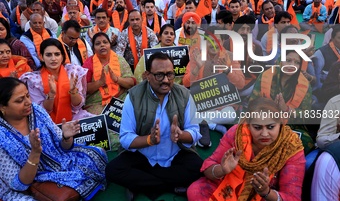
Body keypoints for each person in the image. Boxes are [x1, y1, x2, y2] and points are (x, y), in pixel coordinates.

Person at [105, 52, 203, 200]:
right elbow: (125, 138)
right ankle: (172, 186)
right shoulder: (133, 97)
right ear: (147, 75)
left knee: (197, 167)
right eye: (159, 75)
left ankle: (140, 184)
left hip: (174, 154)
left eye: (170, 74)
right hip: (143, 156)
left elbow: (195, 132)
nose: (166, 80)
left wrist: (181, 135)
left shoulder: (184, 95)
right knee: (112, 170)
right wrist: (148, 140)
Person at [0, 77, 107, 200]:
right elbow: (19, 185)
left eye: (28, 96)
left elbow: (62, 147)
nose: (28, 102)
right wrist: (35, 154)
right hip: (26, 184)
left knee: (96, 155)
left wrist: (66, 137)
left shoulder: (36, 111)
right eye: (20, 100)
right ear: (2, 107)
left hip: (59, 161)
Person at [187, 97, 305, 201]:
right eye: (257, 127)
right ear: (248, 124)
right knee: (196, 191)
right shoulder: (237, 133)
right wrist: (222, 170)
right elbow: (208, 168)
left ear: (280, 124)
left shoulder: (291, 147)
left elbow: (292, 197)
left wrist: (266, 192)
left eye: (271, 127)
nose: (264, 134)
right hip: (228, 189)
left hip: (264, 197)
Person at [249, 50, 314, 154]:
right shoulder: (265, 76)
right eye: (288, 60)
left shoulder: (305, 85)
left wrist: (286, 109)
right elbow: (252, 104)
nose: (292, 65)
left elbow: (306, 115)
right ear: (280, 61)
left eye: (297, 62)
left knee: (306, 142)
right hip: (263, 122)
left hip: (289, 126)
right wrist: (270, 108)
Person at [20, 39, 91, 124]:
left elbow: (77, 106)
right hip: (47, 122)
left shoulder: (73, 72)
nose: (53, 59)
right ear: (41, 57)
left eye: (57, 54)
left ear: (62, 56)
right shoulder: (34, 80)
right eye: (48, 55)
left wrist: (73, 91)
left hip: (74, 117)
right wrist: (51, 95)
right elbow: (41, 111)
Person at [83, 33, 135, 115]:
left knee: (130, 113)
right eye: (98, 43)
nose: (102, 45)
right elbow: (83, 89)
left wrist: (117, 79)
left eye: (105, 42)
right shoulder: (88, 63)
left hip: (120, 99)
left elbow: (132, 82)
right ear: (93, 48)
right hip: (97, 103)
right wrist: (99, 82)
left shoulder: (120, 60)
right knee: (102, 118)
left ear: (110, 45)